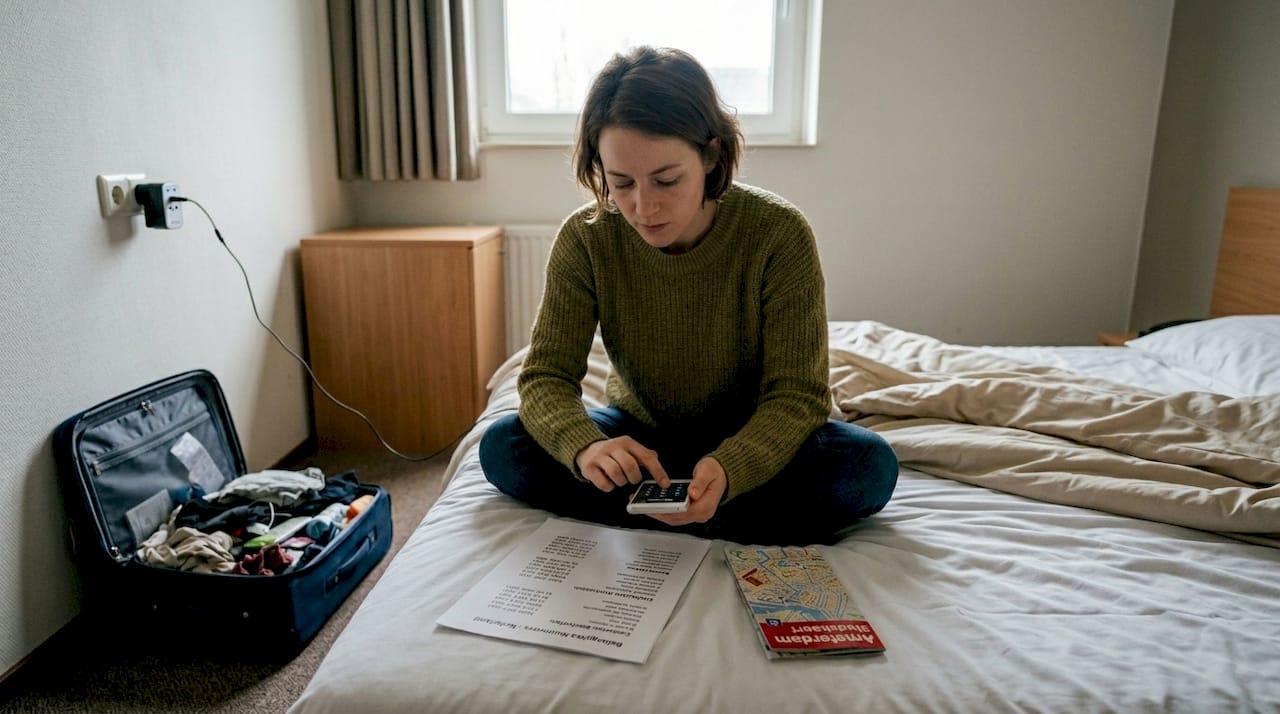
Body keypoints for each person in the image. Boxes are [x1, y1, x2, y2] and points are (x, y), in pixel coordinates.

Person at [479, 46, 898, 545]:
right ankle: (710, 517)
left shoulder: (778, 233)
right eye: (621, 183)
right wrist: (587, 448)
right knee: (503, 446)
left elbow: (798, 395)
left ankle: (672, 511)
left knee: (868, 466)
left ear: (711, 154)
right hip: (639, 437)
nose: (643, 206)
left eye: (667, 180)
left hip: (750, 439)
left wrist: (731, 467)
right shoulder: (588, 236)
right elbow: (546, 376)